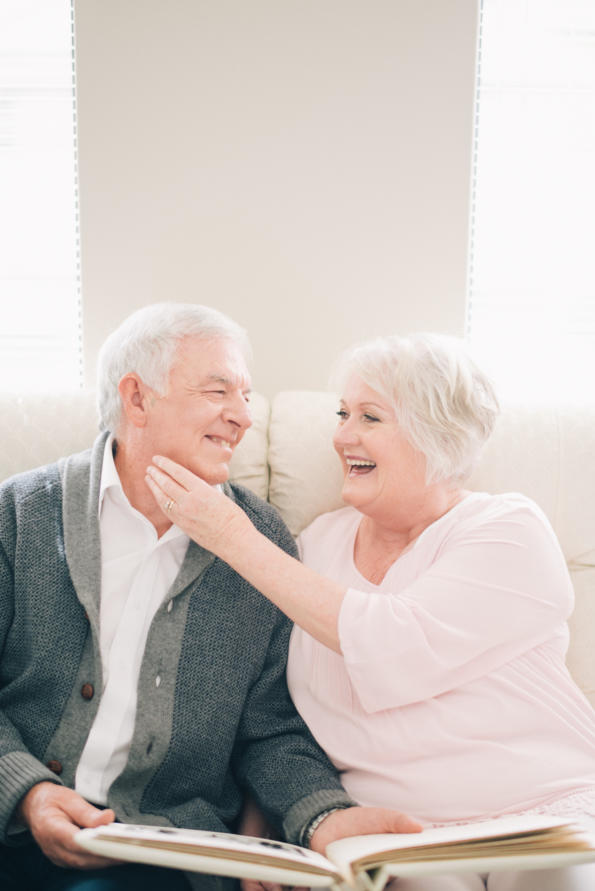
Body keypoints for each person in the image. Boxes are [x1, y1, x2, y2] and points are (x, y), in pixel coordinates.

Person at [146, 332, 595, 891]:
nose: (341, 436)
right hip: (397, 832)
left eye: (369, 418)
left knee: (558, 877)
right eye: (342, 413)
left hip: (541, 811)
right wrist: (265, 835)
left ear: (438, 435)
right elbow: (270, 709)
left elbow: (395, 645)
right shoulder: (312, 547)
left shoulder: (507, 531)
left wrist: (231, 536)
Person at [0, 304, 421, 891]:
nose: (243, 418)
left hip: (159, 854)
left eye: (247, 396)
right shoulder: (19, 515)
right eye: (219, 391)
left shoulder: (257, 542)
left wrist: (323, 815)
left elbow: (270, 727)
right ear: (137, 399)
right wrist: (27, 792)